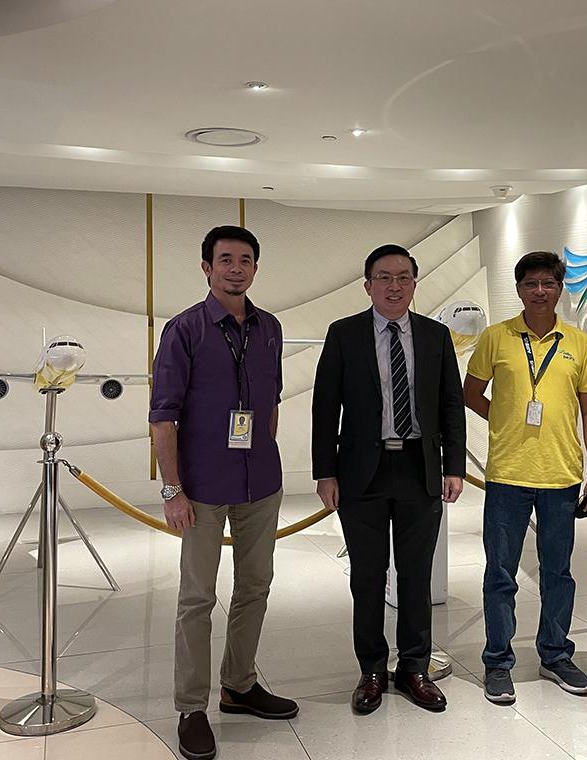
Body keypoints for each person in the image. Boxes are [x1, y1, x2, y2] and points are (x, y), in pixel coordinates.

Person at [150, 225, 297, 760]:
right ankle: (191, 707)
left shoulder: (270, 327)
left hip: (260, 483)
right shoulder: (184, 329)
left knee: (255, 586)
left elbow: (271, 401)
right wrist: (173, 490)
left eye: (246, 260)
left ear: (255, 267)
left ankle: (239, 684)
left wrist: (265, 452)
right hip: (203, 488)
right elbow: (162, 417)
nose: (236, 269)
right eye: (226, 259)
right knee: (197, 598)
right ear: (207, 267)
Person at [312, 244, 466, 714]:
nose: (394, 286)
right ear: (367, 285)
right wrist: (325, 472)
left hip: (420, 468)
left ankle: (415, 667)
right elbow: (325, 407)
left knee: (416, 574)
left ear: (415, 284)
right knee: (367, 575)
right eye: (384, 277)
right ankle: (372, 670)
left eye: (403, 277)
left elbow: (451, 404)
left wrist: (454, 466)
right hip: (363, 473)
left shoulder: (436, 336)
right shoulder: (344, 334)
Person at [464, 250, 587, 705]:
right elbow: (471, 393)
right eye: (531, 283)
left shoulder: (578, 342)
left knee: (558, 573)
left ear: (559, 288)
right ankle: (497, 661)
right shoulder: (496, 337)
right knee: (500, 573)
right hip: (507, 474)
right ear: (519, 289)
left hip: (561, 475)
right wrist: (505, 420)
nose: (540, 291)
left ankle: (556, 654)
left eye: (548, 283)